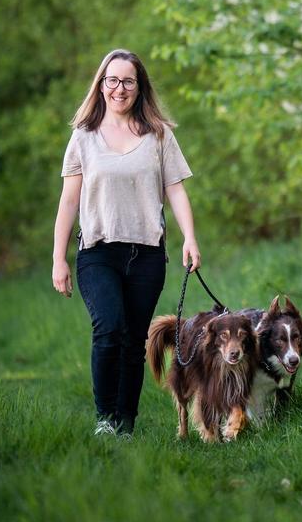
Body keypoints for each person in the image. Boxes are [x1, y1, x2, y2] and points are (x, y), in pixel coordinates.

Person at [51, 48, 201, 437]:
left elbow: (176, 191)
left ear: (139, 86)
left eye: (128, 81)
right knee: (109, 328)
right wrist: (58, 259)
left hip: (147, 254)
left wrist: (190, 238)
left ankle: (126, 422)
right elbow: (69, 201)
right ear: (101, 85)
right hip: (98, 252)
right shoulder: (83, 137)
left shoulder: (158, 135)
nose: (120, 88)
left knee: (134, 339)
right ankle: (105, 419)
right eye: (112, 80)